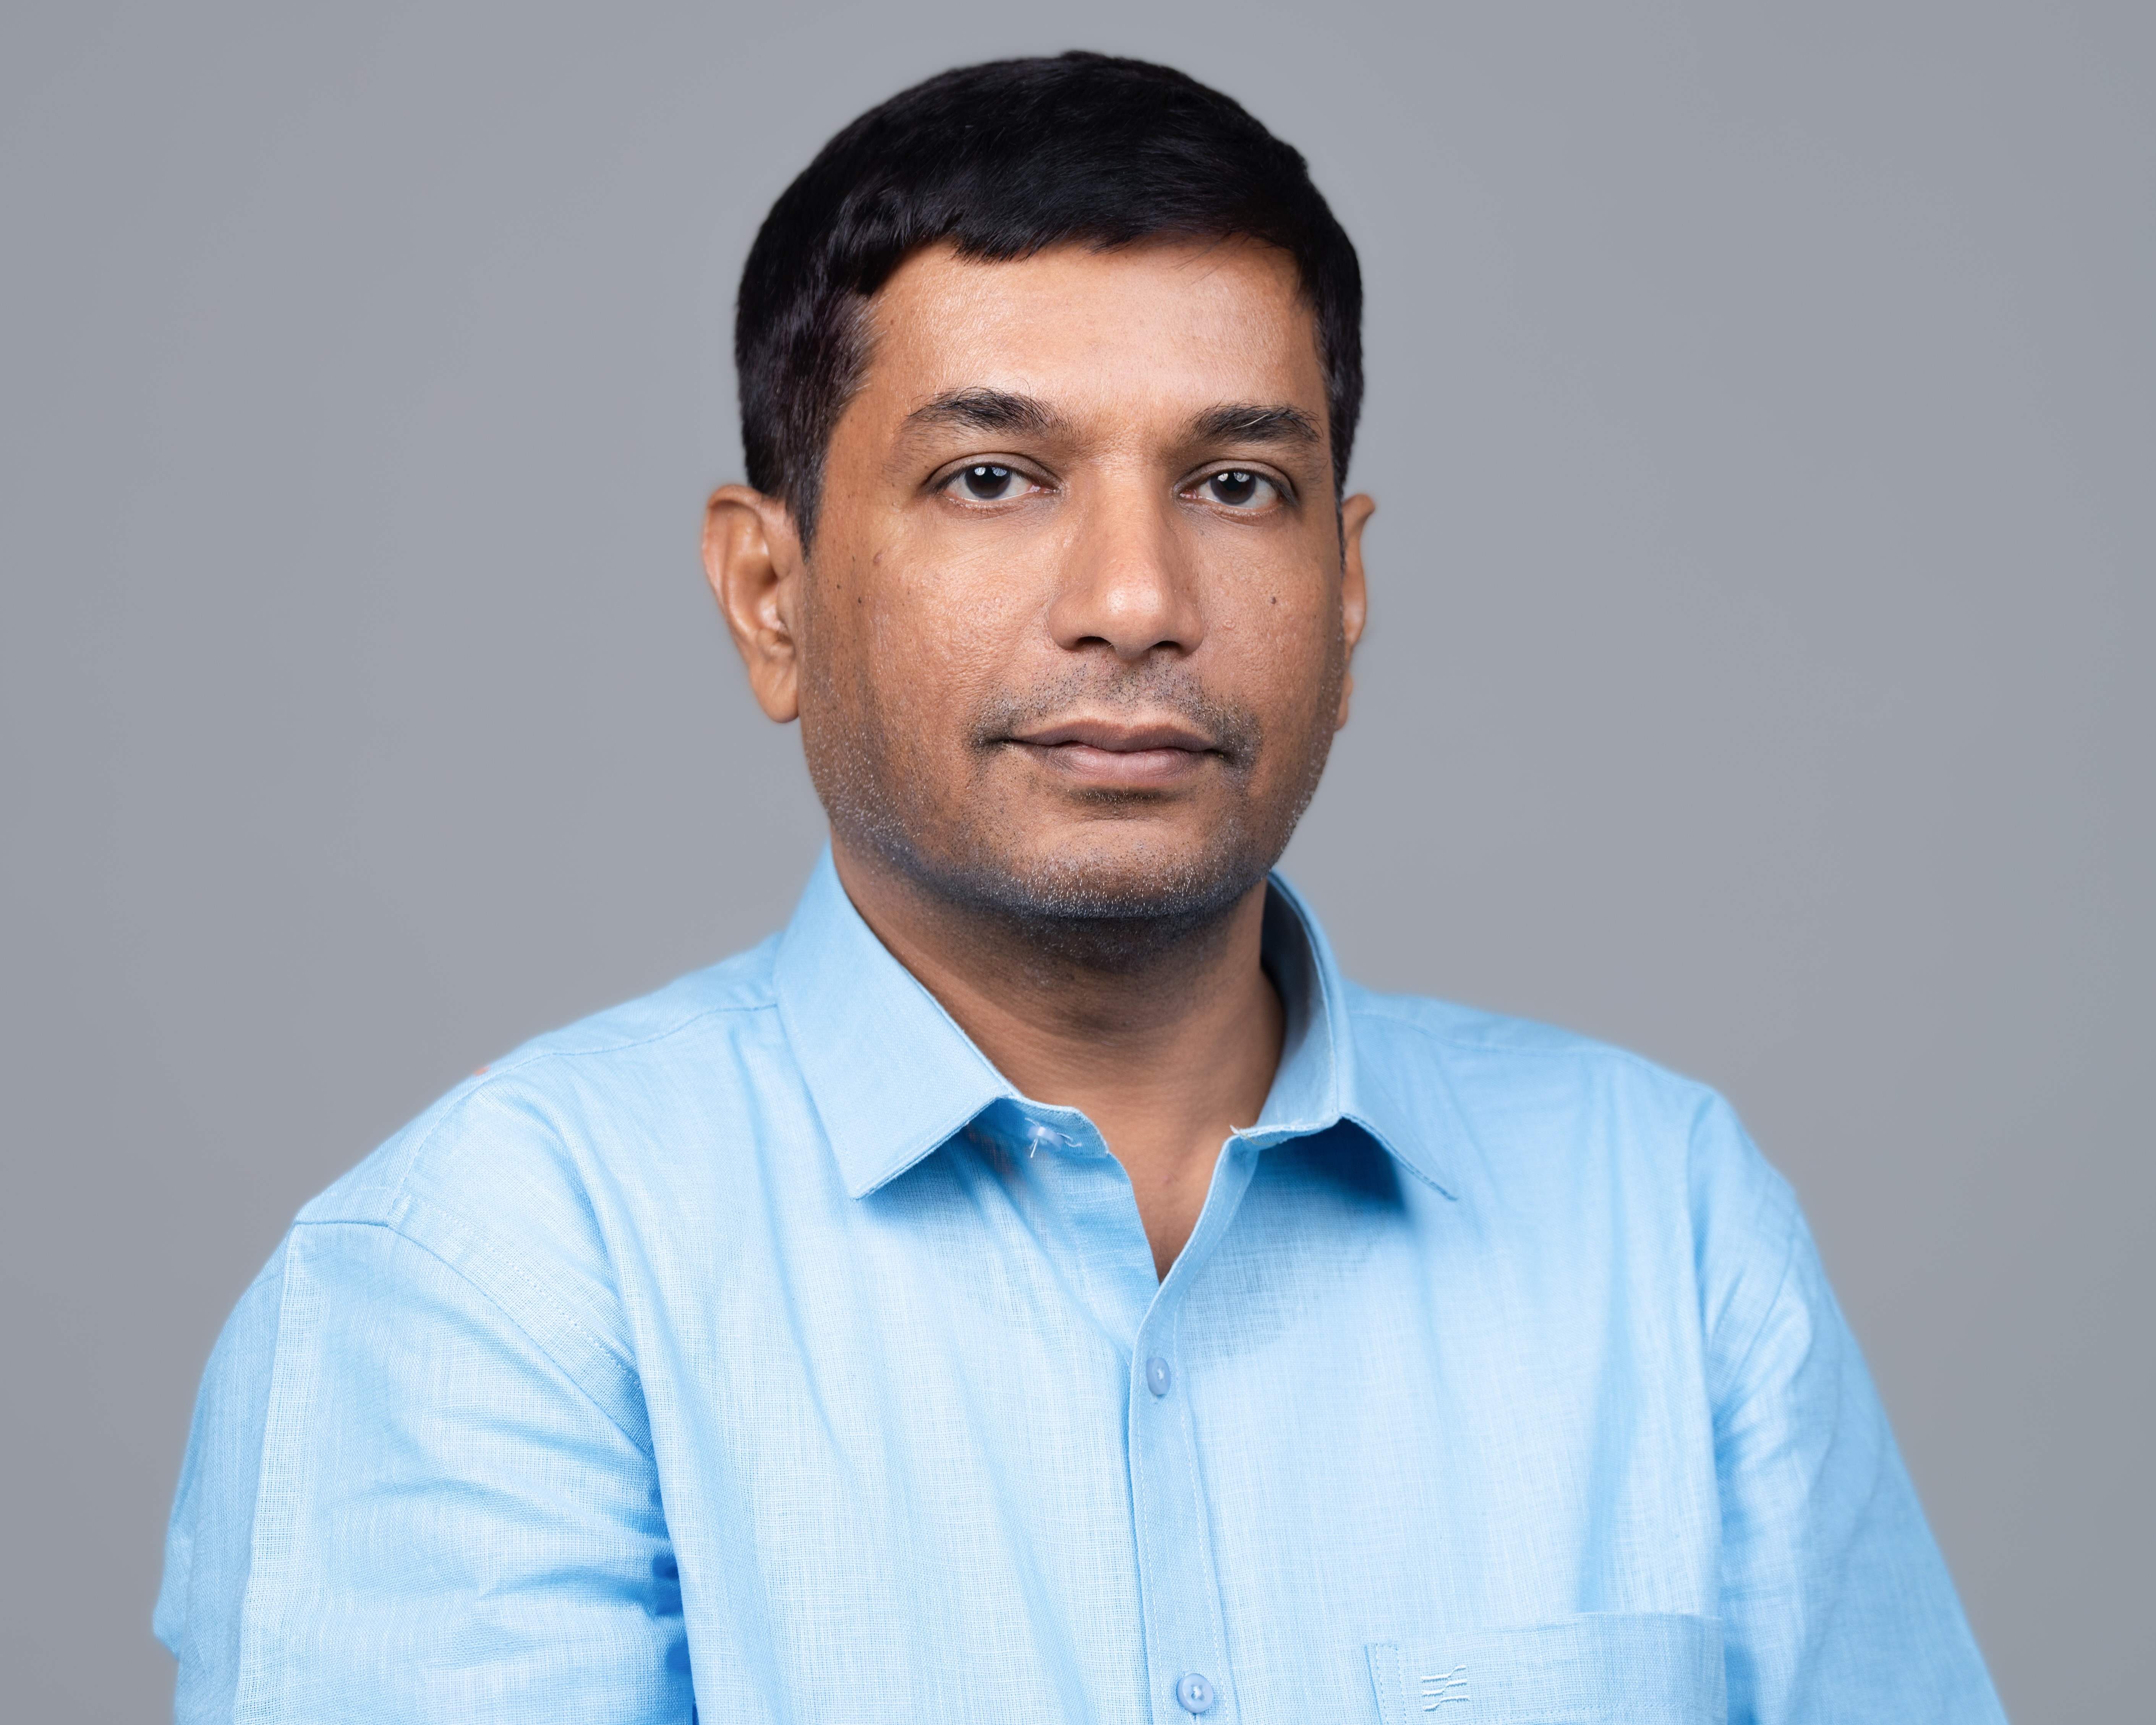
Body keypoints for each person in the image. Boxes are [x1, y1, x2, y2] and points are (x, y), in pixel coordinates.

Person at [156, 51, 2003, 1725]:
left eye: (1235, 484)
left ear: (1347, 592)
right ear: (768, 595)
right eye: (990, 476)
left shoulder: (1663, 1228)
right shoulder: (493, 1285)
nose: (1136, 597)